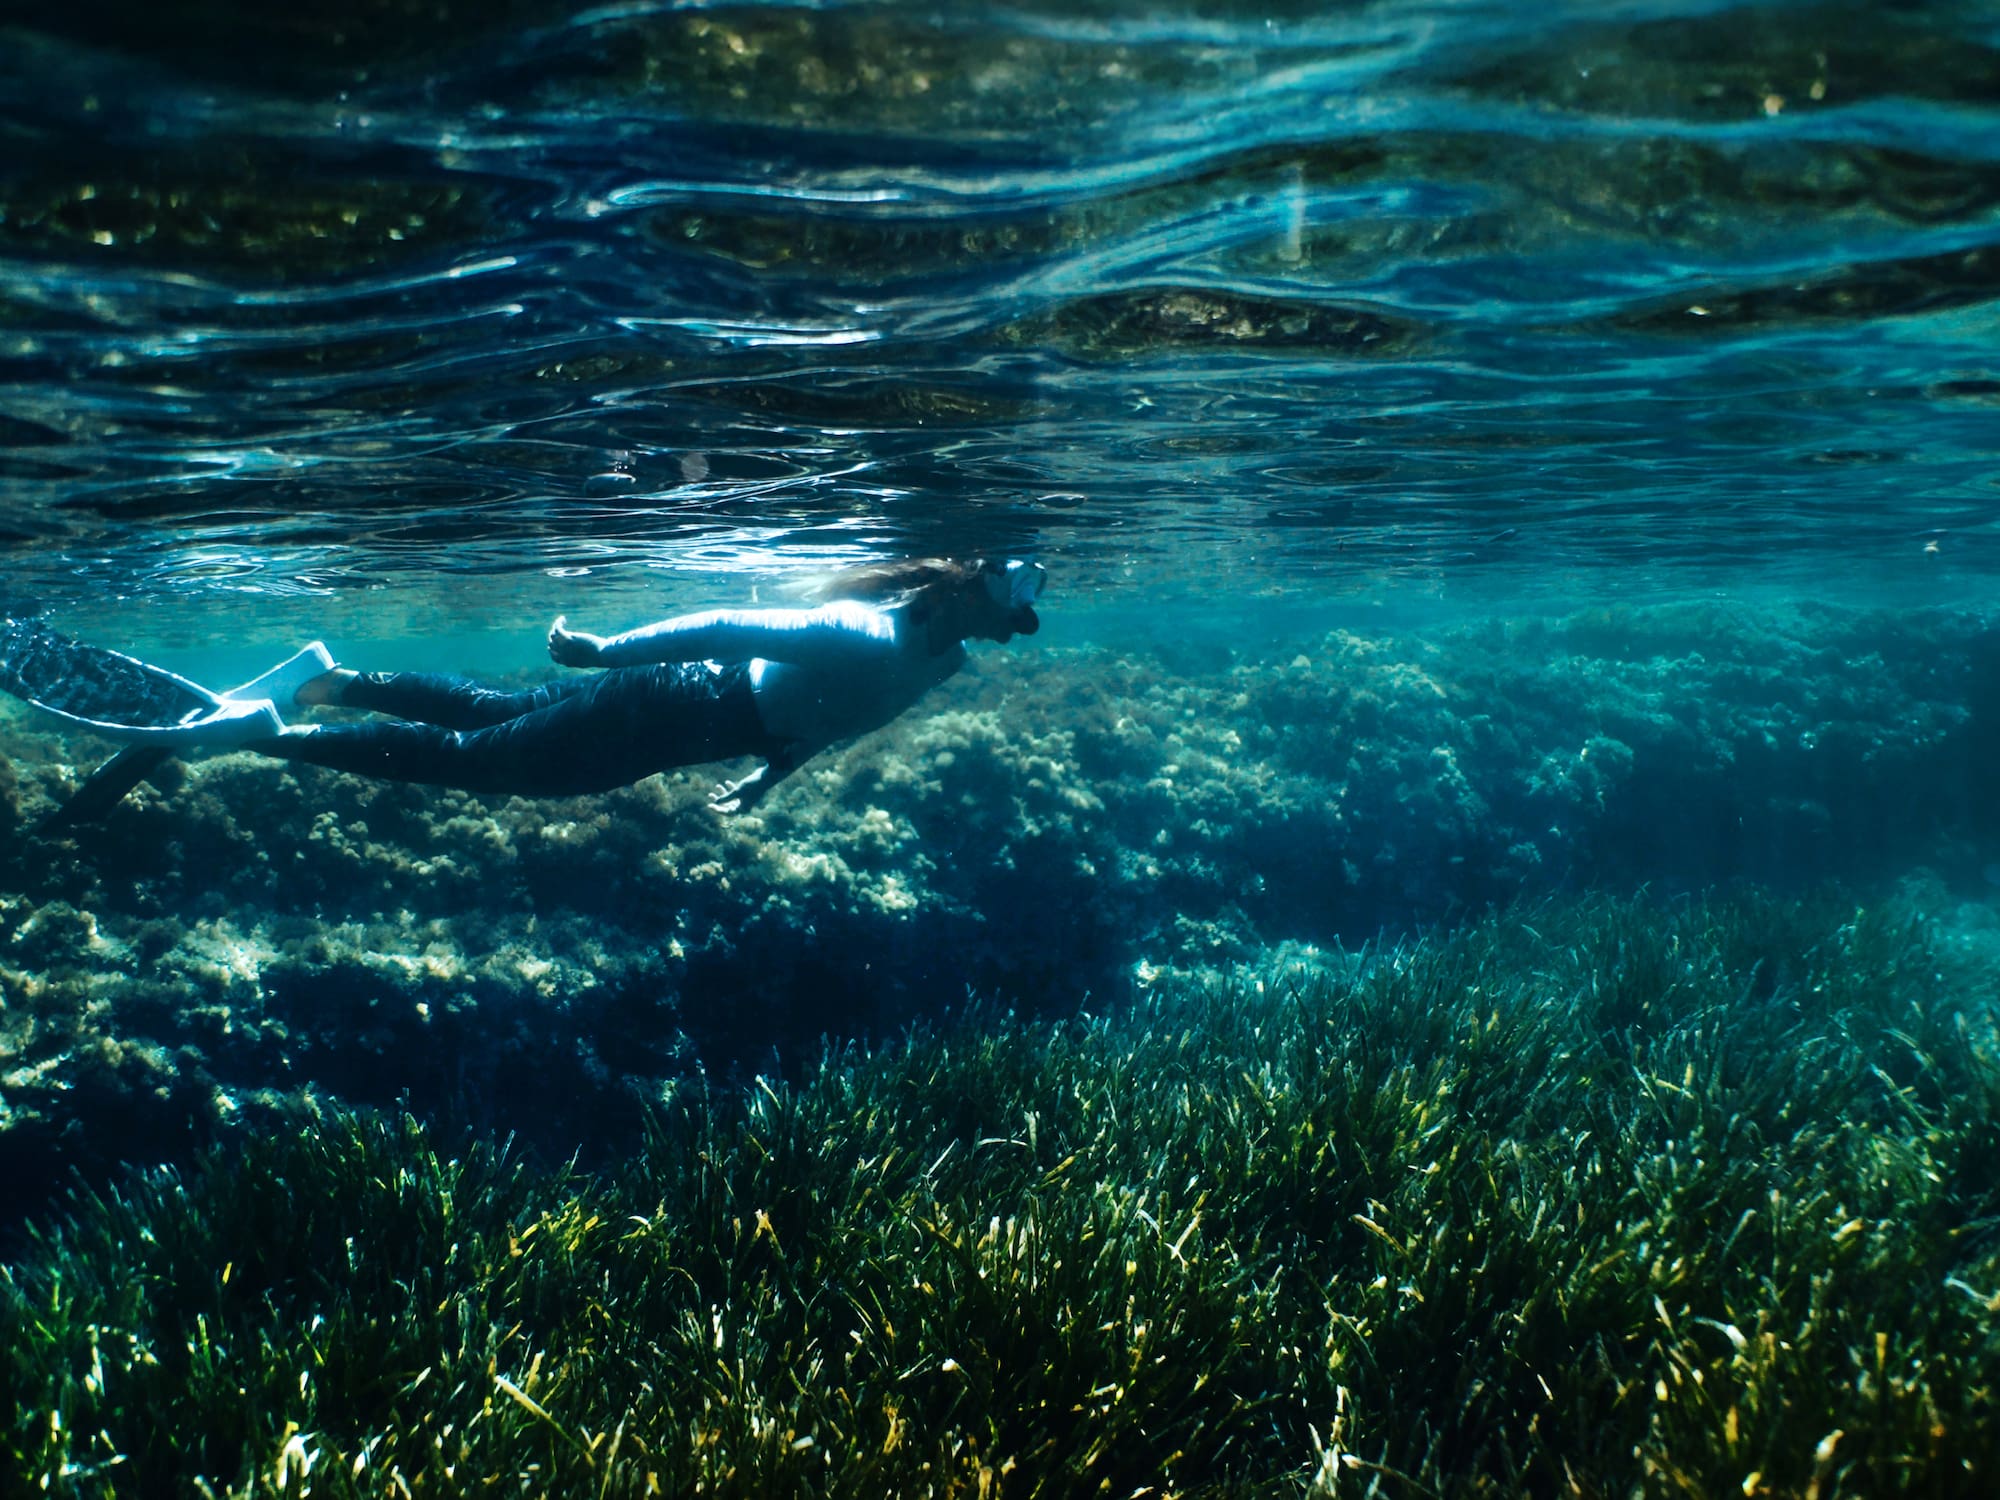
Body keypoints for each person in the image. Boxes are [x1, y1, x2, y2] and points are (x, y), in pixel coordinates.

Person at [261, 557, 1045, 811]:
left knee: (495, 716)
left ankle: (333, 684)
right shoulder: (868, 632)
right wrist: (607, 654)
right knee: (478, 760)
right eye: (1003, 613)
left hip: (686, 720)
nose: (1006, 630)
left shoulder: (945, 660)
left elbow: (854, 715)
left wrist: (774, 774)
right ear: (965, 590)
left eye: (1014, 623)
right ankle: (280, 737)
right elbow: (723, 627)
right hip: (671, 704)